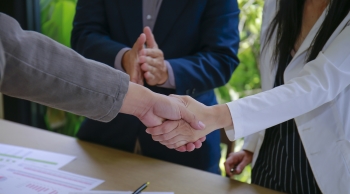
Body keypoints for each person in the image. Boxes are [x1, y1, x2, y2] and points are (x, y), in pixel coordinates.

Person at [147, 0, 350, 194]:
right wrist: (253, 144)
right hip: (272, 161)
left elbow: (318, 84)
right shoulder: (277, 4)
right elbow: (273, 82)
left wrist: (214, 116)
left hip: (331, 171)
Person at [70, 0, 240, 174]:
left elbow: (222, 59)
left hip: (184, 143)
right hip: (104, 134)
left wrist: (167, 71)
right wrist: (123, 58)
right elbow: (83, 36)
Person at [0, 12, 206, 150]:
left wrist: (148, 99)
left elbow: (15, 54)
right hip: (104, 139)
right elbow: (18, 56)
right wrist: (124, 59)